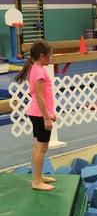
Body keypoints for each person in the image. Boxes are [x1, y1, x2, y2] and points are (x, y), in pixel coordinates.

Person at [15, 41, 56, 191]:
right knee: (42, 148)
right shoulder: (39, 71)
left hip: (38, 113)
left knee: (38, 146)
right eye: (50, 56)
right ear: (42, 56)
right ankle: (37, 181)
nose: (51, 58)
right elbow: (39, 97)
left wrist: (51, 114)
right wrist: (46, 118)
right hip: (39, 115)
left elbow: (44, 96)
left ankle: (38, 176)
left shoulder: (36, 68)